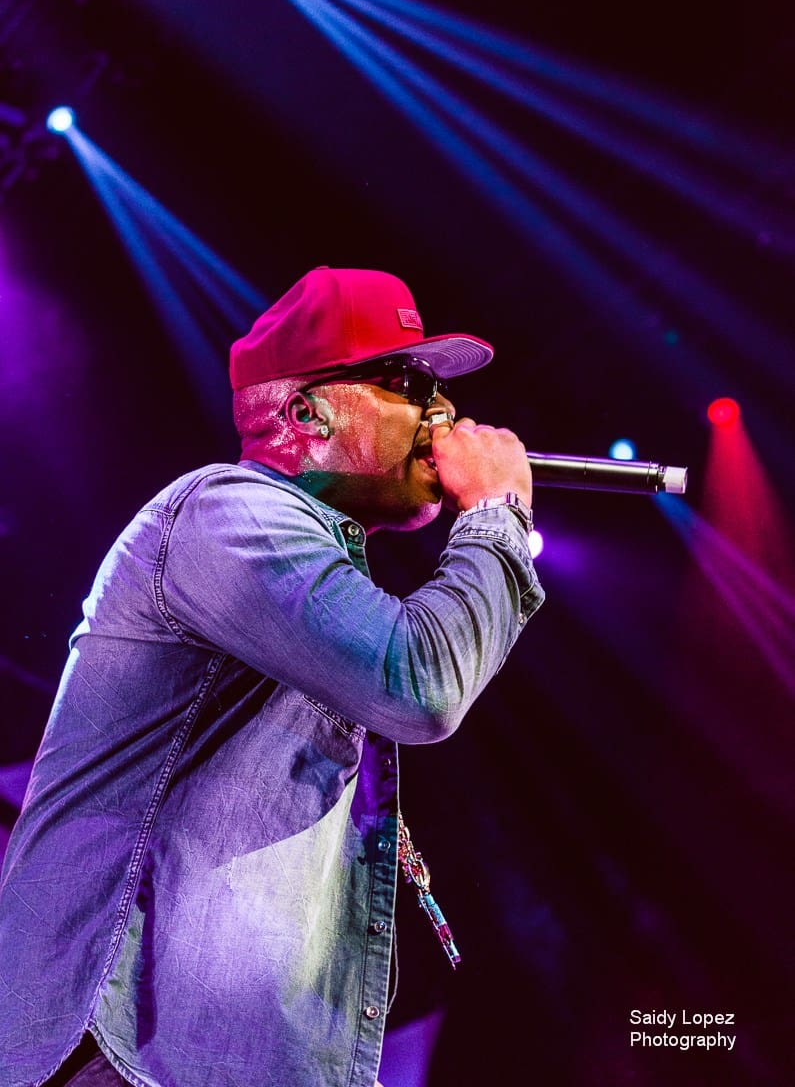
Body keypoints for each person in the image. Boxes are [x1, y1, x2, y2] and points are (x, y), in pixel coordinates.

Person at [0, 265, 544, 1087]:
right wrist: (496, 516)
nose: (442, 411)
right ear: (305, 414)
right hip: (122, 1045)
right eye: (407, 382)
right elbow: (421, 685)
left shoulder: (311, 565)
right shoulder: (227, 512)